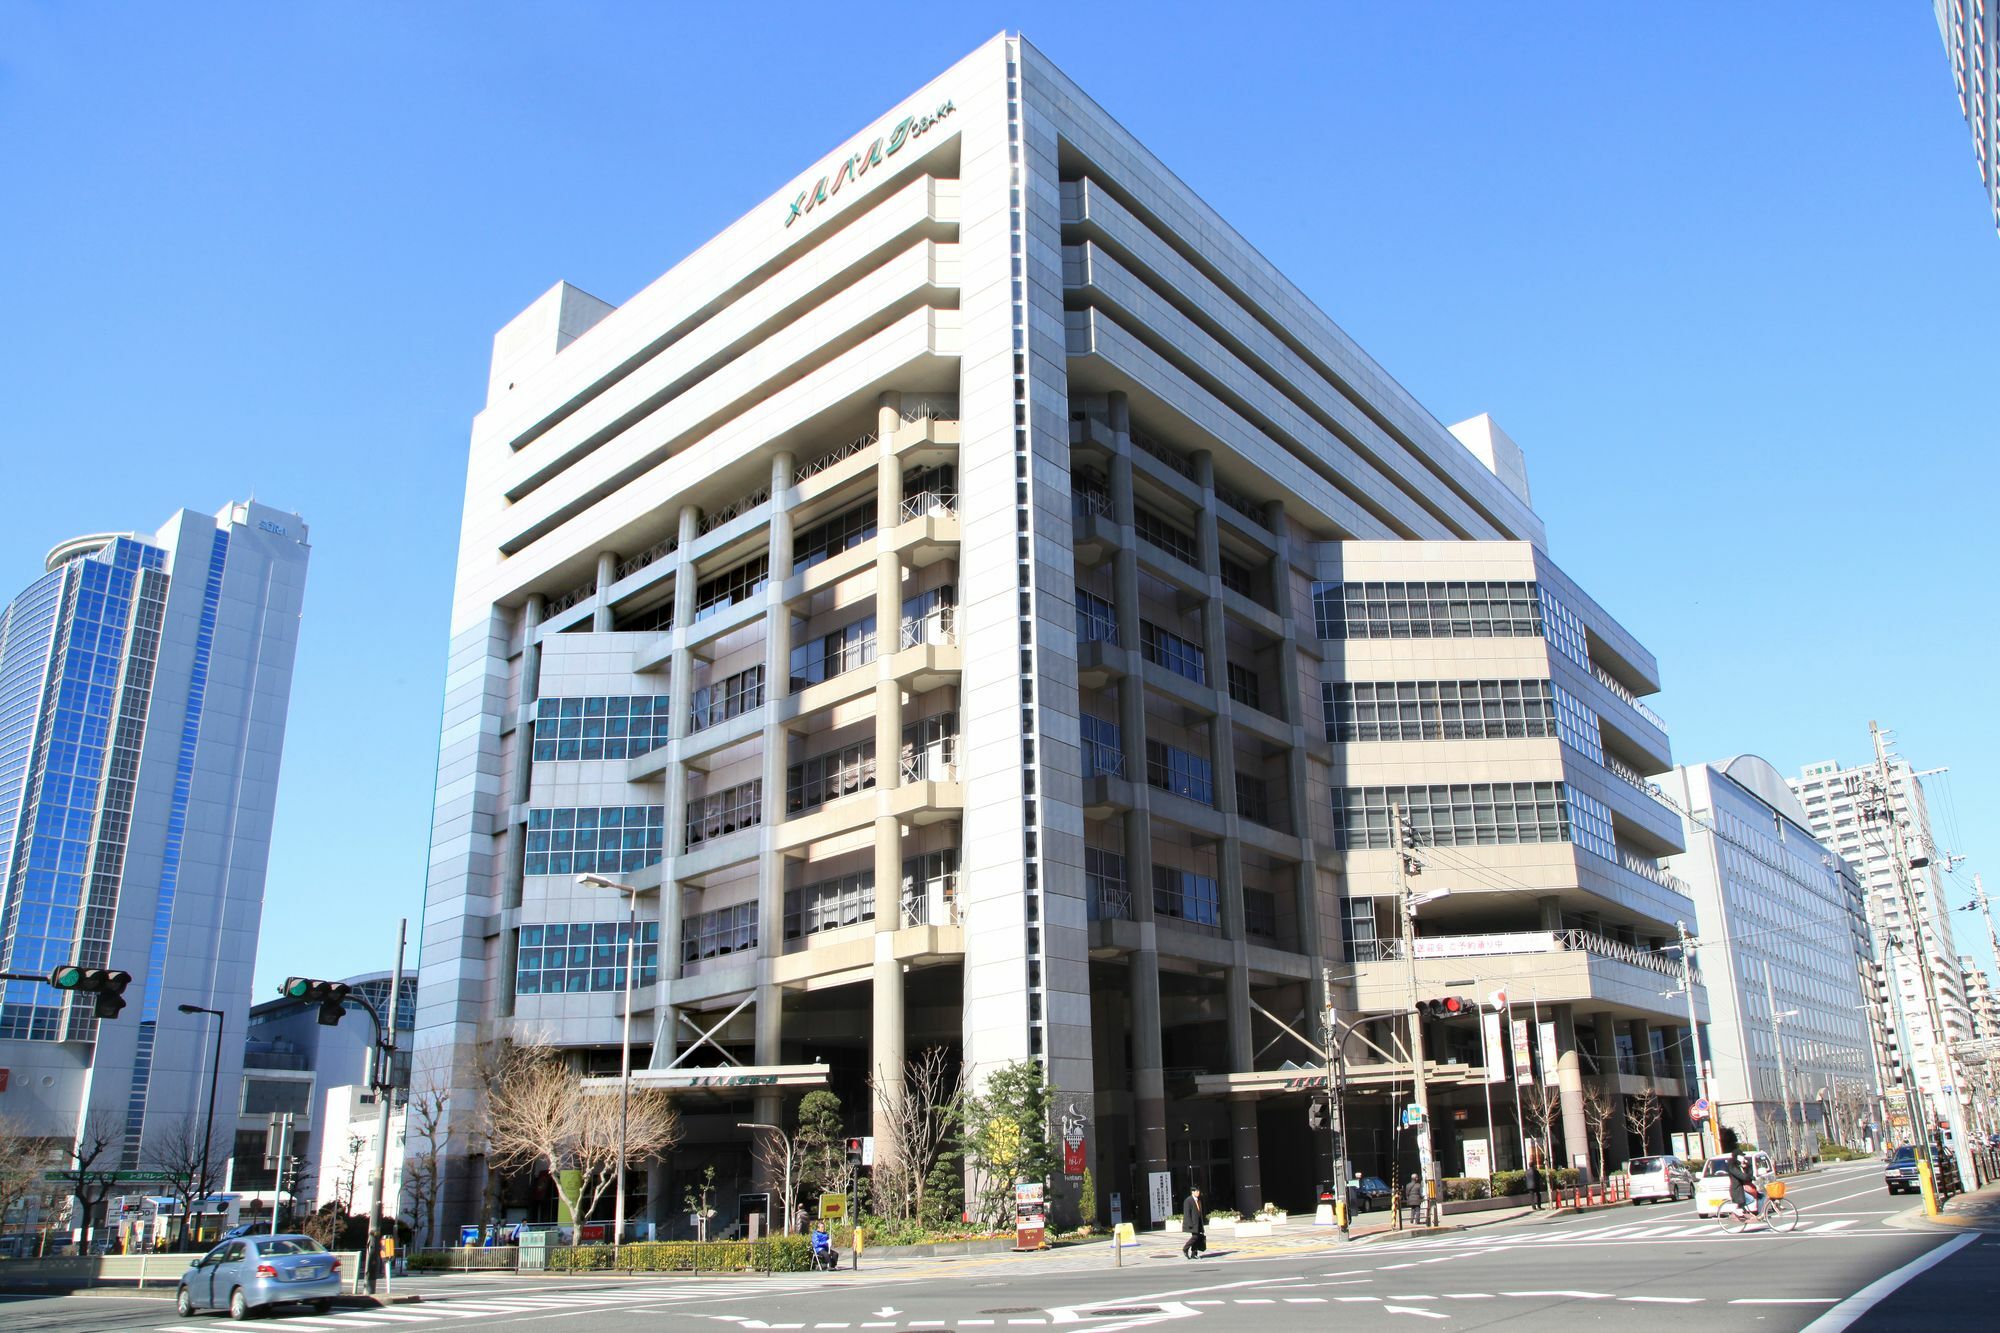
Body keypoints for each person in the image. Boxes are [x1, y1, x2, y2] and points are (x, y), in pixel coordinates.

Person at [1723, 1149, 1760, 1223]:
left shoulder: (1739, 1165)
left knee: (1751, 1199)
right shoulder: (1732, 1166)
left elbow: (1748, 1174)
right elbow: (1741, 1175)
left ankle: (1741, 1213)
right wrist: (1749, 1177)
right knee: (1746, 1201)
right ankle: (1735, 1212)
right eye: (1741, 1156)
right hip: (1736, 1190)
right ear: (1737, 1156)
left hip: (1741, 1189)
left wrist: (1749, 1165)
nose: (1743, 1157)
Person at [1180, 1185, 1206, 1259]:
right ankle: (1185, 1248)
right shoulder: (1188, 1200)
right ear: (1192, 1192)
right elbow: (1187, 1213)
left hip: (1198, 1222)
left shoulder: (1198, 1200)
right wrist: (1190, 1223)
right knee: (1195, 1236)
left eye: (1198, 1191)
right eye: (1196, 1191)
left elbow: (1199, 1212)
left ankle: (1194, 1253)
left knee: (1197, 1237)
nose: (1198, 1192)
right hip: (1192, 1223)